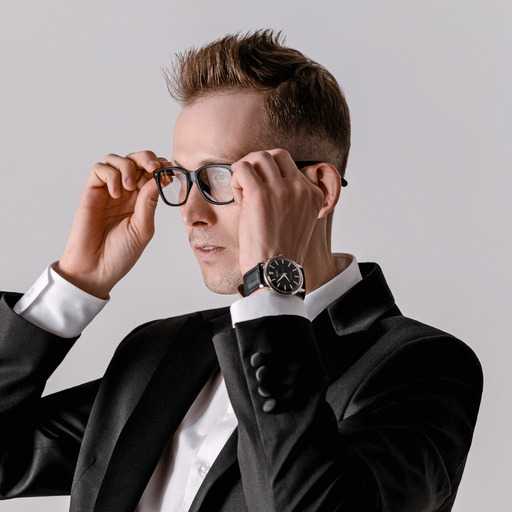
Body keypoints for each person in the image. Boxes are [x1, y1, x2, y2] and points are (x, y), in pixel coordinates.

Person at [0, 30, 482, 512]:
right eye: (181, 178)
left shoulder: (425, 365)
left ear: (319, 189)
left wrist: (270, 286)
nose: (191, 214)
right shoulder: (158, 350)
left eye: (221, 177)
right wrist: (75, 283)